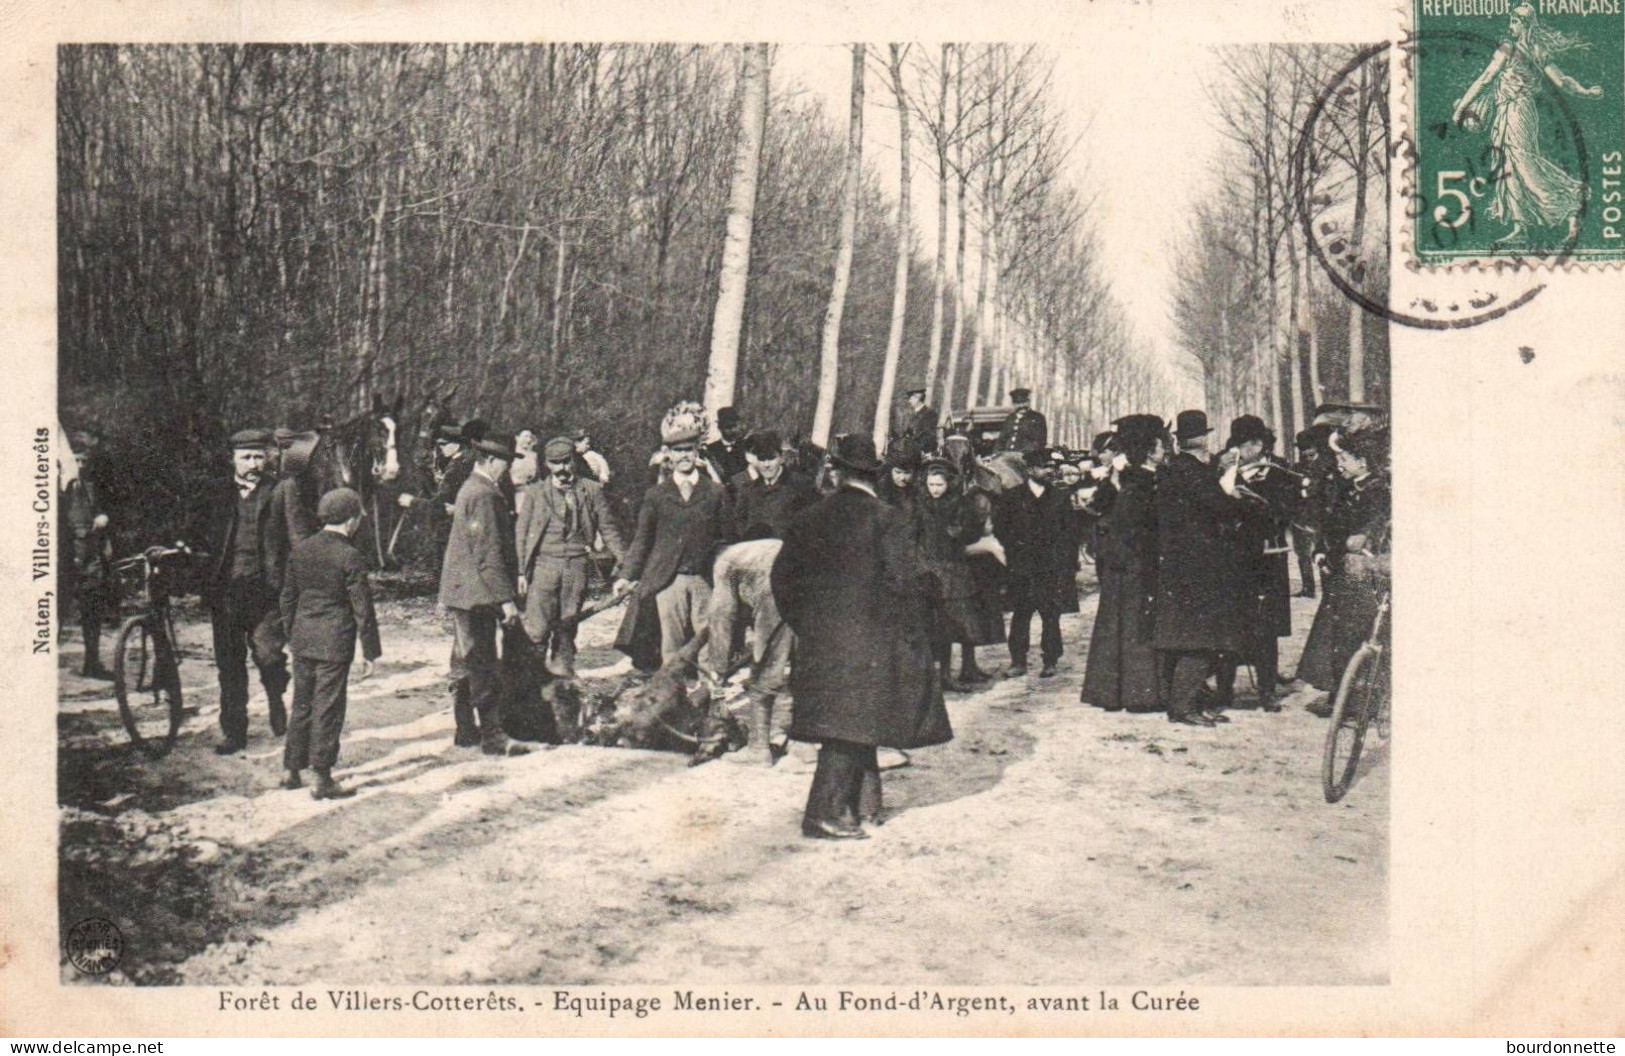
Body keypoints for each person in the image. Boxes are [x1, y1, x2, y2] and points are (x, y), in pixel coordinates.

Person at [771, 434, 952, 840]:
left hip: (821, 640)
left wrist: (807, 624)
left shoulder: (808, 518)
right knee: (850, 724)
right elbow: (904, 584)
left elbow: (781, 580)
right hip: (870, 640)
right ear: (877, 474)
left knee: (850, 720)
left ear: (839, 471)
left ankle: (863, 806)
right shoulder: (888, 518)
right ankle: (824, 813)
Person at [1451, 3, 1603, 247]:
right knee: (1507, 164)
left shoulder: (1509, 49)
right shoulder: (1537, 50)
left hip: (1517, 112)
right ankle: (1520, 227)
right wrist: (1585, 91)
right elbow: (1562, 82)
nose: (1510, 26)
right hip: (1510, 111)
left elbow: (1486, 78)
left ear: (1523, 24)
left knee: (1524, 165)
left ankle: (1574, 198)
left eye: (1514, 22)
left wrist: (1460, 109)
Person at [279, 487, 381, 800]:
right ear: (351, 521)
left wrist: (290, 635)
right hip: (334, 642)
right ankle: (322, 778)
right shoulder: (350, 556)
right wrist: (371, 652)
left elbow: (287, 598)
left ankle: (291, 770)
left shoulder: (301, 549)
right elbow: (362, 608)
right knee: (329, 707)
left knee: (302, 703)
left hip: (303, 638)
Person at [615, 402, 731, 669]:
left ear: (697, 452)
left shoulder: (715, 492)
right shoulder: (656, 495)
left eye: (688, 450)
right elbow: (642, 539)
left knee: (707, 643)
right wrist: (625, 575)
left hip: (704, 579)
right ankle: (671, 700)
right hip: (669, 580)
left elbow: (727, 538)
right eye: (678, 452)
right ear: (669, 455)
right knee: (672, 646)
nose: (684, 457)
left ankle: (711, 697)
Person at [1152, 410, 1246, 728]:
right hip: (1198, 567)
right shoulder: (1192, 472)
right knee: (1200, 639)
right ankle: (1183, 708)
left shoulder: (1173, 469)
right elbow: (1218, 505)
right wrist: (1233, 497)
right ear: (1203, 439)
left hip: (1180, 566)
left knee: (1190, 639)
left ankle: (1193, 703)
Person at [204, 428, 293, 754]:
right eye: (246, 457)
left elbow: (296, 537)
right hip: (225, 592)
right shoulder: (216, 493)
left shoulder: (280, 490)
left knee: (269, 658)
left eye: (259, 456)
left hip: (266, 592)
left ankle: (275, 696)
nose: (253, 463)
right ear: (233, 460)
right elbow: (199, 535)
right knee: (230, 665)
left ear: (267, 457)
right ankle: (234, 732)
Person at [439, 432, 528, 756]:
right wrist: (506, 600)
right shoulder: (483, 493)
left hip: (465, 591)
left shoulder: (474, 489)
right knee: (483, 661)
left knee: (464, 660)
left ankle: (465, 730)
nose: (509, 469)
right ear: (491, 461)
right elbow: (487, 553)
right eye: (506, 462)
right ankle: (492, 736)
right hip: (477, 593)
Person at [515, 436, 626, 683]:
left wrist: (625, 564)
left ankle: (562, 668)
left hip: (577, 564)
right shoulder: (535, 493)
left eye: (566, 462)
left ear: (574, 461)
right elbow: (521, 533)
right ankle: (533, 674)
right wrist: (522, 572)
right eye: (556, 463)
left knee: (568, 621)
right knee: (537, 624)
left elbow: (609, 529)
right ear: (547, 464)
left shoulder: (592, 490)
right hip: (544, 564)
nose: (562, 469)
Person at [1295, 426, 1391, 704]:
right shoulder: (1347, 487)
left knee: (1359, 633)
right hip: (1341, 572)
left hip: (1366, 575)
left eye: (1344, 460)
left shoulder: (1379, 491)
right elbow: (1332, 524)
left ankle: (1360, 699)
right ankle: (1340, 693)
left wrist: (1359, 540)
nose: (1339, 465)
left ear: (1362, 462)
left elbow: (1367, 534)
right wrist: (1323, 550)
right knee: (1336, 634)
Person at [1081, 415, 1167, 713]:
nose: (1164, 450)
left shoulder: (1124, 479)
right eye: (1160, 445)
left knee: (1117, 623)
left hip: (1121, 562)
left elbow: (1099, 507)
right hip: (1137, 563)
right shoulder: (1141, 482)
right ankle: (1140, 693)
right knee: (1135, 624)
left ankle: (1114, 691)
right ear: (1148, 449)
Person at [1225, 415, 1297, 709]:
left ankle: (1267, 689)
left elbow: (1289, 511)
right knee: (1234, 621)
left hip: (1269, 557)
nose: (1241, 451)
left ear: (1259, 444)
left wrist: (1262, 508)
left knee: (1267, 625)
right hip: (1237, 557)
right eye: (1238, 445)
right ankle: (1225, 688)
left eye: (1246, 445)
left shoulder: (1279, 472)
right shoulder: (1229, 471)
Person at [995, 446, 1080, 679]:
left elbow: (1070, 533)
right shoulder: (1013, 497)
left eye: (1052, 467)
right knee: (1021, 614)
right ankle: (1018, 661)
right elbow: (1001, 529)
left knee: (1050, 615)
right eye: (1044, 467)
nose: (1050, 471)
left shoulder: (1060, 497)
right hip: (1022, 568)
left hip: (1050, 568)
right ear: (1030, 470)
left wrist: (1067, 565)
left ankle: (1050, 660)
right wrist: (1013, 556)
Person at [915, 458, 999, 692]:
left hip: (956, 567)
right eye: (931, 485)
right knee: (942, 625)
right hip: (933, 569)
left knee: (965, 620)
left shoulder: (959, 505)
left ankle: (968, 667)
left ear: (948, 484)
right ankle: (944, 673)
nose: (934, 490)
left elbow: (973, 533)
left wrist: (960, 532)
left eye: (939, 485)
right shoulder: (921, 506)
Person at [61, 429, 116, 679]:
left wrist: (104, 518)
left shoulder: (91, 485)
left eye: (84, 460)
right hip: (64, 559)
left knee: (92, 609)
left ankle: (91, 662)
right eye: (76, 460)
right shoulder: (56, 488)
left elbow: (104, 511)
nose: (80, 465)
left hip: (90, 559)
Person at [731, 429, 817, 541]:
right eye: (761, 459)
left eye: (771, 458)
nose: (766, 465)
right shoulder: (748, 489)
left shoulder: (801, 486)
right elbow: (739, 522)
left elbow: (812, 523)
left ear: (781, 458)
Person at [1290, 426, 1332, 598]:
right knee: (1302, 553)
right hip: (1300, 517)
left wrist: (1307, 491)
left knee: (1322, 553)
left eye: (1309, 448)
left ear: (1316, 447)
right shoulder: (1297, 467)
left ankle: (1328, 589)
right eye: (1302, 449)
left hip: (1319, 517)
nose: (1306, 452)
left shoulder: (1327, 466)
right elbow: (1291, 489)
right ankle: (1308, 588)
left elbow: (1329, 492)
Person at [704, 406, 749, 485]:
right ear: (719, 427)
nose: (733, 430)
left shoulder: (747, 446)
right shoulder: (711, 450)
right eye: (728, 427)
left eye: (735, 426)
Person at [996, 387, 1048, 455]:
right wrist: (997, 453)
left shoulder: (1037, 418)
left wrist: (1022, 453)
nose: (1021, 406)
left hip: (1027, 457)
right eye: (1018, 403)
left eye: (1024, 402)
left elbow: (1039, 442)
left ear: (1028, 402)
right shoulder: (1010, 418)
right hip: (1007, 456)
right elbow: (1001, 440)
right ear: (1013, 404)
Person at [878, 445, 921, 512]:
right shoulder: (881, 490)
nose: (902, 478)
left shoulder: (920, 490)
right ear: (890, 471)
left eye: (907, 473)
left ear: (914, 472)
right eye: (898, 472)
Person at [901, 387, 940, 455]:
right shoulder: (910, 414)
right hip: (910, 451)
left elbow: (928, 436)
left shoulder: (930, 414)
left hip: (924, 452)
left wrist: (919, 450)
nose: (909, 401)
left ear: (918, 398)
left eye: (911, 398)